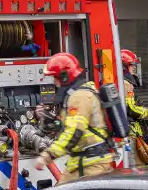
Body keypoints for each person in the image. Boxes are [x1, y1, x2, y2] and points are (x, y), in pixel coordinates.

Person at [33, 53, 114, 182]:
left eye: (55, 77)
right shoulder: (82, 92)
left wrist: (47, 156)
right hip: (85, 162)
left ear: (64, 77)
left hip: (90, 165)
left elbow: (74, 132)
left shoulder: (78, 97)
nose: (54, 82)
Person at [120, 49, 148, 165]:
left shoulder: (123, 81)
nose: (134, 67)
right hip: (130, 133)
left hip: (130, 132)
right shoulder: (126, 84)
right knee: (136, 169)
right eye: (131, 65)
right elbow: (131, 109)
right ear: (123, 66)